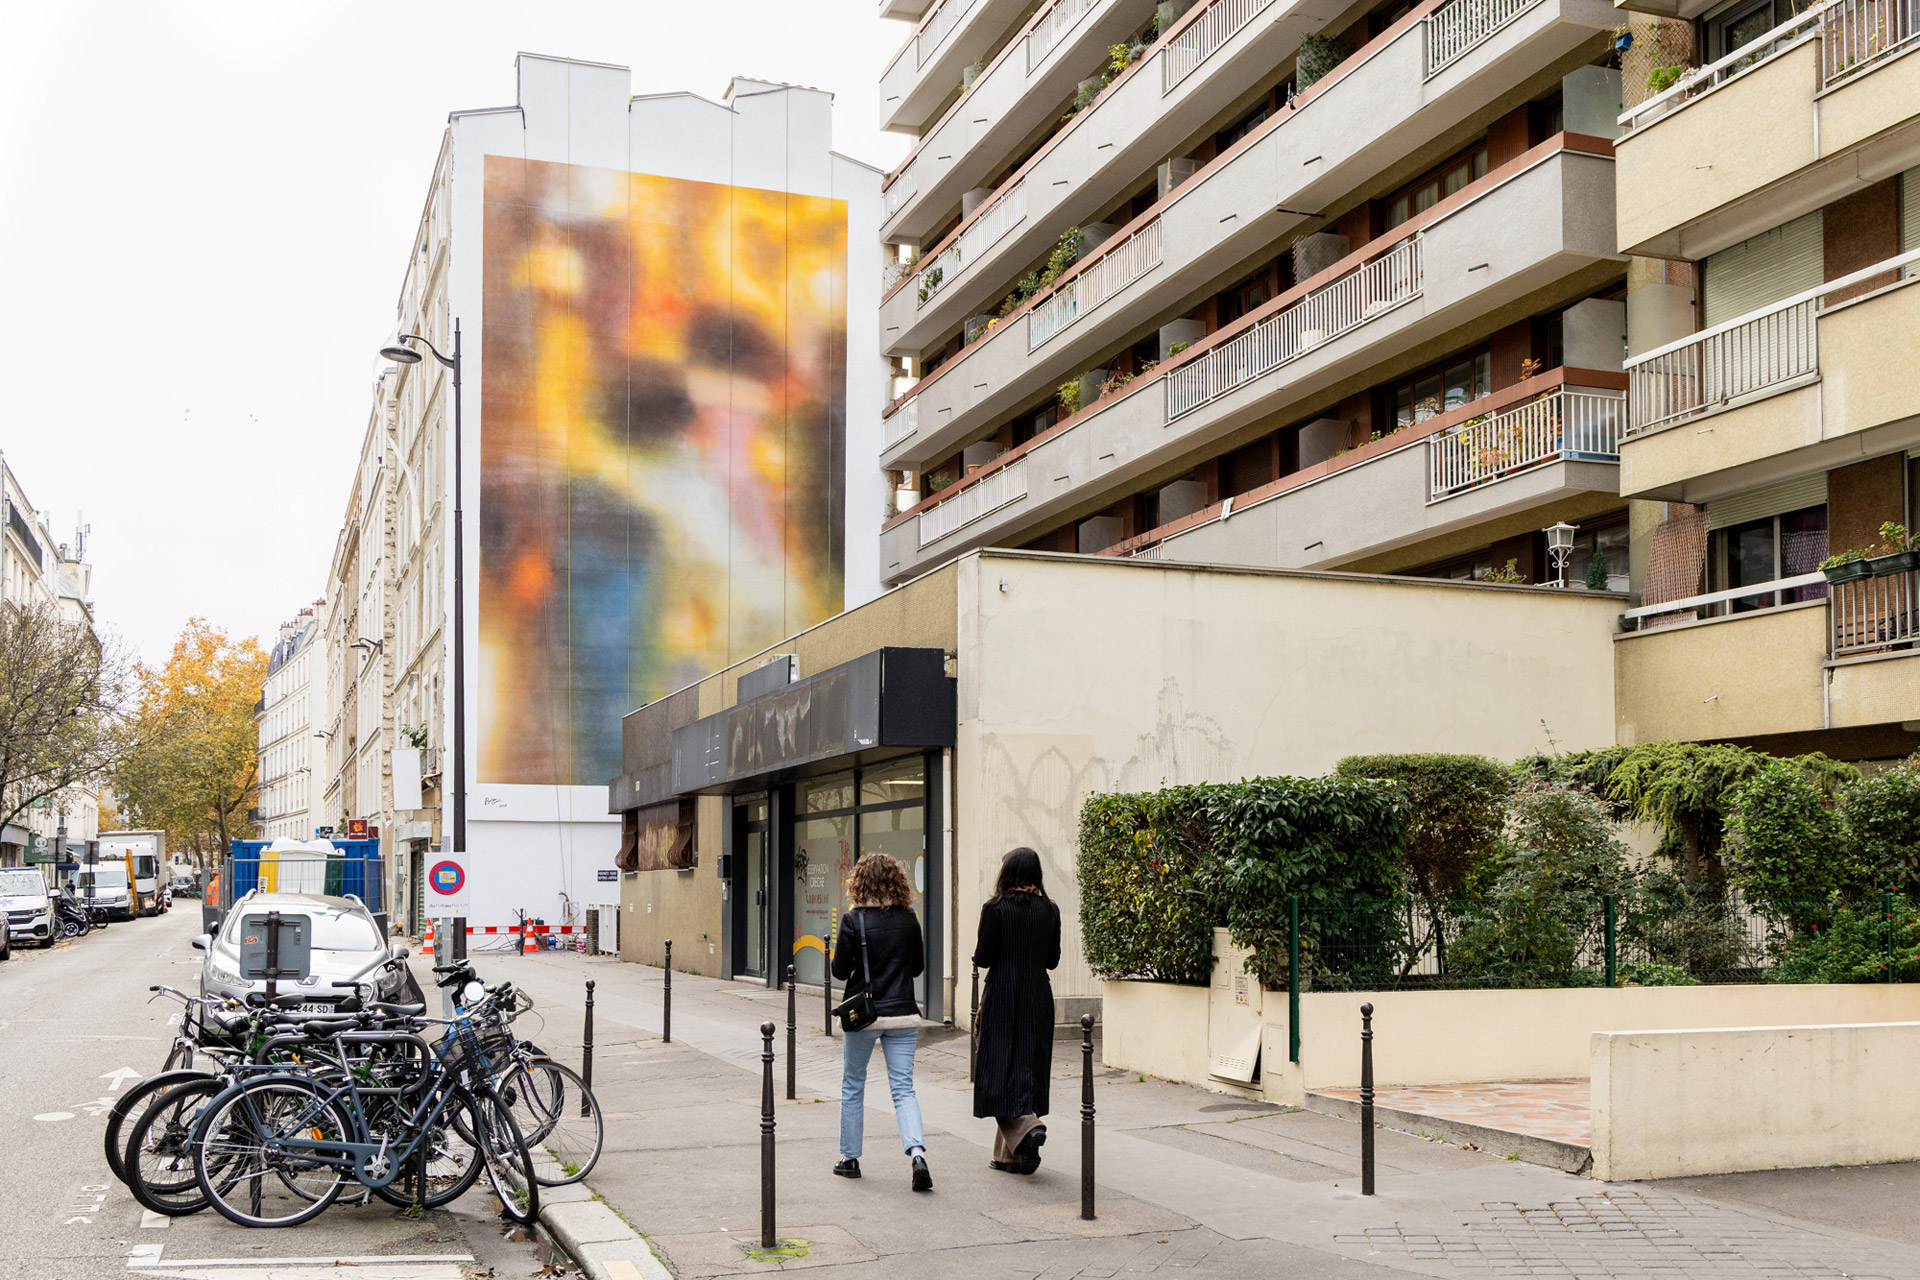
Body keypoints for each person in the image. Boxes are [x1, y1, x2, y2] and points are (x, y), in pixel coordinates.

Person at [831, 851, 933, 1192]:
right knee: (903, 1088)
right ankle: (917, 1153)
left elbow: (840, 971)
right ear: (897, 881)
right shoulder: (909, 918)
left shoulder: (853, 920)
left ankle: (850, 1159)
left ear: (859, 882)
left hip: (865, 1016)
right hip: (903, 1012)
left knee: (853, 1085)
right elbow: (917, 968)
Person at [971, 847, 1062, 1174]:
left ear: (1008, 872)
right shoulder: (1050, 910)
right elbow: (1052, 960)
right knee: (1026, 1068)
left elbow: (983, 957)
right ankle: (1011, 1156)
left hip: (1003, 994)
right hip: (1038, 995)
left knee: (995, 1071)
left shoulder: (995, 909)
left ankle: (1027, 1125)